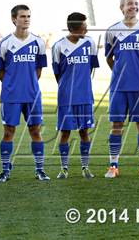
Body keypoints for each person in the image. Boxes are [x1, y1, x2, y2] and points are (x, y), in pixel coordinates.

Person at [0, 4, 50, 182]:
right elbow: (1, 72)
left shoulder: (38, 42)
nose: (26, 19)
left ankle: (40, 170)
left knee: (35, 130)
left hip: (32, 95)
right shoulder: (4, 44)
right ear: (14, 19)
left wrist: (28, 85)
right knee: (8, 132)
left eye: (28, 16)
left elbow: (39, 70)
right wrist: (14, 85)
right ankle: (5, 170)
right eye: (22, 16)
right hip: (11, 96)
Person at [104, 0, 139, 178]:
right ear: (122, 8)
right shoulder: (112, 30)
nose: (133, 6)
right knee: (116, 124)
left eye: (136, 3)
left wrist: (137, 71)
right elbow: (109, 58)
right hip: (119, 86)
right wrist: (120, 73)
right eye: (129, 4)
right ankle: (113, 166)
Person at [51, 12, 99, 179]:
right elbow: (58, 73)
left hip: (85, 95)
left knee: (84, 132)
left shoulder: (90, 43)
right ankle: (64, 168)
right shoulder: (58, 46)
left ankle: (85, 167)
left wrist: (82, 85)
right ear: (74, 28)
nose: (86, 28)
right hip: (66, 97)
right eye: (84, 26)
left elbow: (91, 68)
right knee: (65, 132)